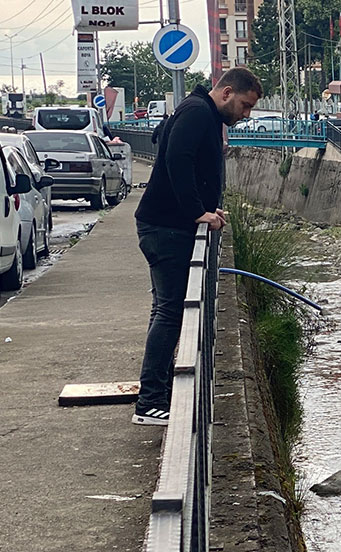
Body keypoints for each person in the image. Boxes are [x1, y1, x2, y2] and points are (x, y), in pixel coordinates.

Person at [132, 68, 262, 426]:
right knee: (171, 312)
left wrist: (207, 208)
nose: (246, 115)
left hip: (165, 224)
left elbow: (180, 155)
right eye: (245, 106)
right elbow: (177, 160)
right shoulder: (197, 112)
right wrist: (196, 211)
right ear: (227, 93)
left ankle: (155, 392)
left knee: (165, 310)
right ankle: (149, 402)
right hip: (166, 227)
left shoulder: (197, 110)